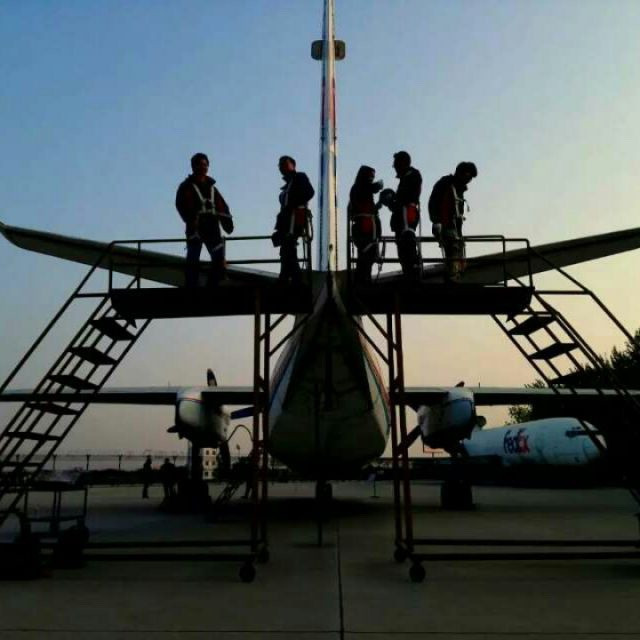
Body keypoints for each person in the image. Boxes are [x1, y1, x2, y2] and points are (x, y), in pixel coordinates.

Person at [175, 153, 234, 287]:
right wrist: (190, 219)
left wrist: (228, 224)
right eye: (200, 165)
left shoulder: (212, 189)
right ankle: (191, 287)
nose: (203, 167)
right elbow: (180, 204)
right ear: (193, 167)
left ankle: (211, 287)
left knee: (218, 260)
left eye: (205, 165)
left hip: (212, 227)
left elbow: (222, 207)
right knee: (193, 259)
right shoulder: (186, 187)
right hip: (195, 227)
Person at [428, 162, 478, 282]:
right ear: (461, 173)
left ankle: (455, 277)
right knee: (452, 256)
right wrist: (436, 222)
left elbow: (457, 216)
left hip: (456, 231)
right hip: (446, 227)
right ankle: (452, 280)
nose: (469, 180)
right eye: (469, 176)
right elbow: (433, 203)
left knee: (459, 259)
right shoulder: (445, 184)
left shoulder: (458, 190)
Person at [272, 155, 315, 284]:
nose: (281, 167)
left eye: (284, 163)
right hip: (286, 223)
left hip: (294, 221)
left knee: (288, 250)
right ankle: (287, 280)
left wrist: (293, 204)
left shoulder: (300, 177)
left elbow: (309, 192)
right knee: (287, 251)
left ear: (293, 165)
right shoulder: (287, 186)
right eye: (280, 165)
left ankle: (291, 281)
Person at [388, 151, 422, 280]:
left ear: (402, 163)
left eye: (395, 164)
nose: (394, 167)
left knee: (407, 244)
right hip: (404, 214)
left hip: (406, 214)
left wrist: (392, 201)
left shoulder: (411, 176)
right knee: (404, 246)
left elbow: (405, 198)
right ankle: (410, 274)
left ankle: (412, 276)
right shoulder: (409, 176)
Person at [348, 166, 384, 284]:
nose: (372, 178)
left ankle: (364, 280)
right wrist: (378, 186)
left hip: (366, 226)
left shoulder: (359, 188)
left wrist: (376, 207)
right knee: (366, 255)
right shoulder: (360, 187)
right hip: (364, 227)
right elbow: (370, 189)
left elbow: (366, 207)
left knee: (367, 255)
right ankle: (362, 282)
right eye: (370, 176)